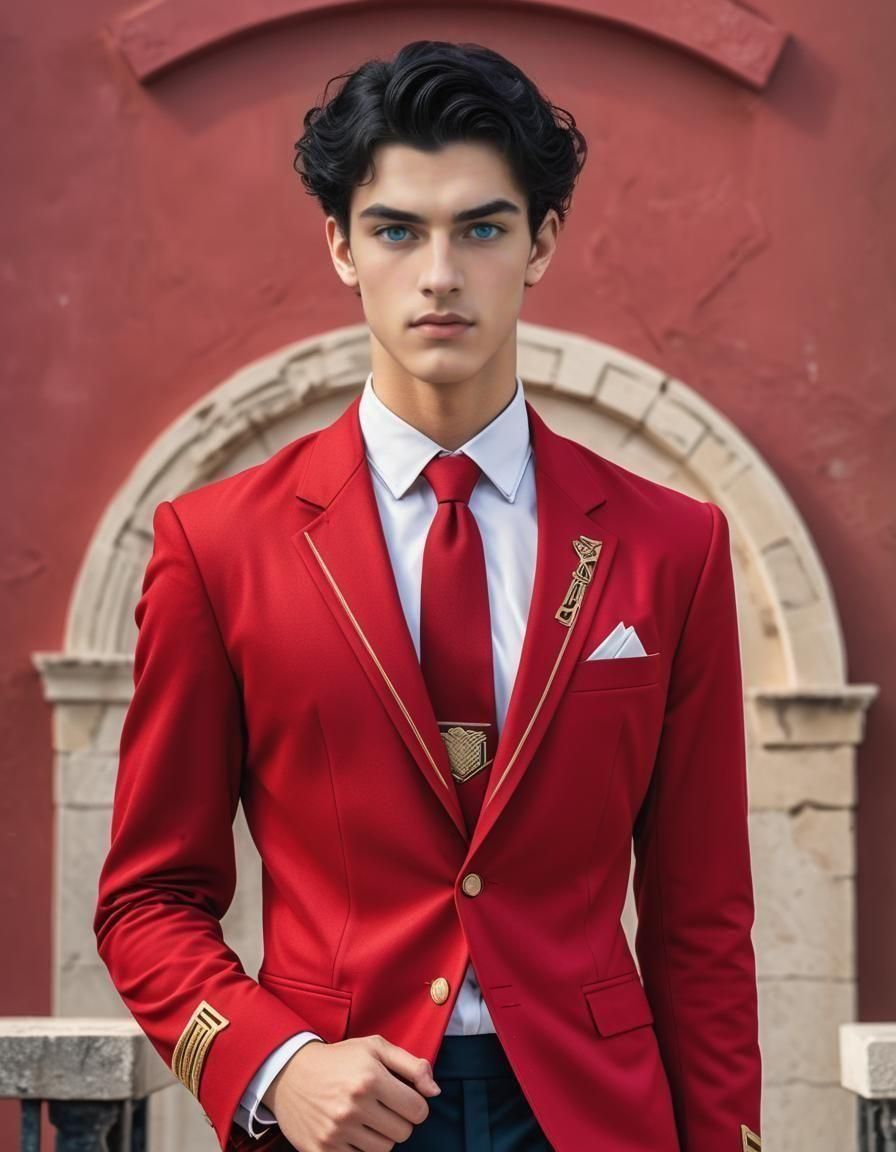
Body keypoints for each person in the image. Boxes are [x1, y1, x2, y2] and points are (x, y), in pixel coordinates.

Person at [94, 39, 762, 1152]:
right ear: (341, 247)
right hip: (338, 1114)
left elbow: (703, 922)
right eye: (397, 231)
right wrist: (278, 1065)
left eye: (482, 229)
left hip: (594, 1116)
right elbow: (147, 902)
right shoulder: (218, 548)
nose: (439, 273)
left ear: (541, 242)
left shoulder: (671, 546)